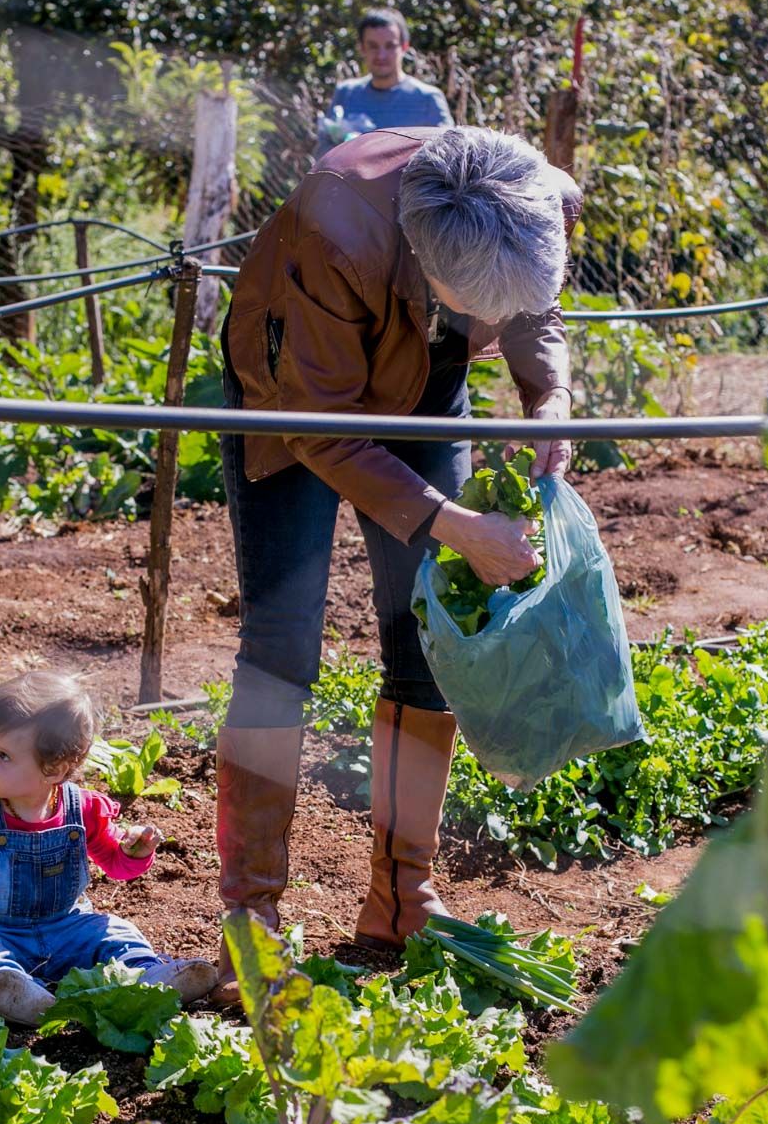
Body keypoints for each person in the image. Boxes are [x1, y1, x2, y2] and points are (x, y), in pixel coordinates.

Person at [214, 125, 579, 995]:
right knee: (280, 644)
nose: (495, 326)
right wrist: (456, 525)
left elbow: (538, 307)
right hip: (294, 399)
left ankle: (401, 896)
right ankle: (252, 920)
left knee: (428, 630)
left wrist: (551, 395)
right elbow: (323, 429)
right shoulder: (337, 226)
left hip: (424, 387)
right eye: (482, 309)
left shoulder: (537, 197)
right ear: (426, 257)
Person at [0, 670, 217, 1025]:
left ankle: (148, 974)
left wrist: (132, 853)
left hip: (66, 927)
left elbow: (115, 865)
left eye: (3, 755)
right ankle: (12, 991)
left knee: (114, 932)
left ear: (54, 770)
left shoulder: (82, 808)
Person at [319, 7, 452, 154]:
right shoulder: (346, 94)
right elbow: (324, 154)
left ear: (404, 47)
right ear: (361, 48)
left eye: (390, 46)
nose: (381, 55)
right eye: (373, 46)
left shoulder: (428, 99)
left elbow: (450, 155)